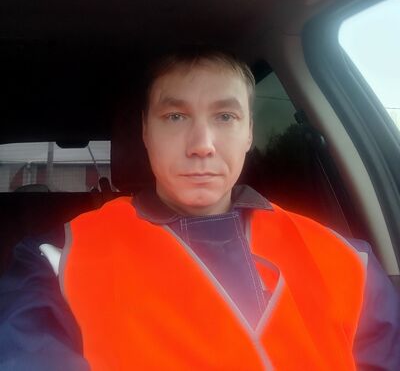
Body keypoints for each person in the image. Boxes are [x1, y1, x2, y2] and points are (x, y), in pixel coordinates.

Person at [0, 47, 399, 370]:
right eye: (175, 116)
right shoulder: (56, 261)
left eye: (225, 116)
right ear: (145, 131)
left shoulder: (349, 262)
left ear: (248, 133)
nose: (202, 144)